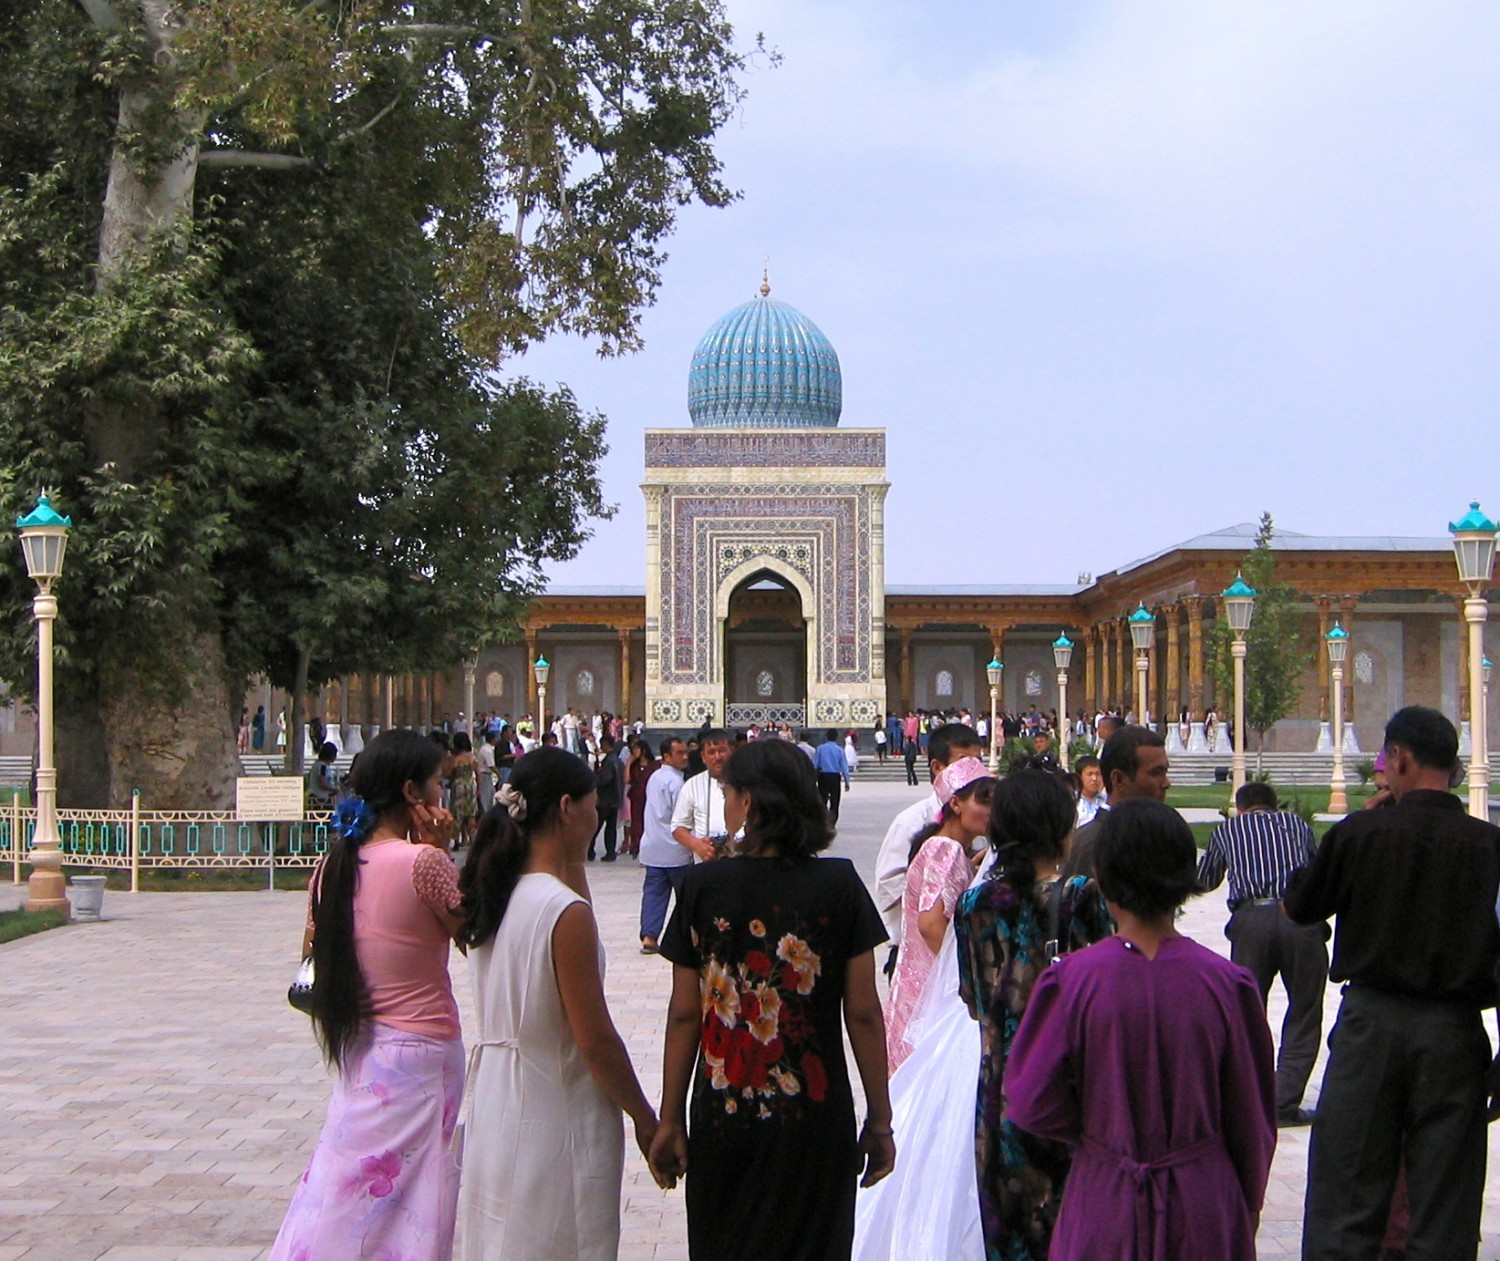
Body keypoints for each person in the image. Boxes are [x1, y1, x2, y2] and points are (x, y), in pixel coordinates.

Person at [650, 738, 894, 1259]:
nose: (728, 801)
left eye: (731, 792)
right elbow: (865, 1014)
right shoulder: (839, 884)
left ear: (751, 803)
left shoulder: (703, 887)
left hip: (724, 1112)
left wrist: (670, 1120)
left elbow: (684, 1014)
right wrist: (879, 1120)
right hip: (813, 1113)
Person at [1005, 799, 1277, 1260]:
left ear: (1103, 877)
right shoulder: (1228, 985)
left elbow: (1030, 1100)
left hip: (1105, 1194)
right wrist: (1244, 1205)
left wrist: (1097, 1131)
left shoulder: (1070, 981)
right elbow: (1252, 1119)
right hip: (1203, 1199)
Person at [1284, 706, 1500, 1260]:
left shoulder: (1364, 834)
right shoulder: (1489, 846)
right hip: (1454, 1035)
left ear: (1399, 759)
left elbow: (1304, 905)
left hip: (1371, 1027)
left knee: (1347, 1196)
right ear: (1453, 768)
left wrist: (1362, 824)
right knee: (1444, 1206)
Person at [455, 747, 660, 1260]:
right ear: (568, 807)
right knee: (560, 1237)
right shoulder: (558, 911)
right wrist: (643, 1115)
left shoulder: (496, 893)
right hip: (555, 1098)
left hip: (499, 1095)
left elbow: (572, 904)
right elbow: (594, 1039)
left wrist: (571, 857)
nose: (599, 814)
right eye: (593, 804)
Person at [269, 731, 464, 1261]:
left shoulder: (333, 865)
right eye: (436, 784)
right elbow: (470, 932)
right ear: (411, 791)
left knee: (348, 1181)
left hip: (363, 1043)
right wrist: (443, 850)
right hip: (421, 1047)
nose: (442, 794)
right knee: (416, 1195)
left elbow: (313, 947)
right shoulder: (422, 864)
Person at [954, 769, 1114, 1261]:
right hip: (1069, 1089)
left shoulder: (974, 903)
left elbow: (973, 998)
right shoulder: (1079, 897)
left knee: (1009, 1233)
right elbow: (1107, 991)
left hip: (1001, 1086)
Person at [1196, 779, 1326, 1126]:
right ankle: (1284, 1101)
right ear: (1275, 804)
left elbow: (1206, 880)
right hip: (1299, 919)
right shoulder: (1297, 825)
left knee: (1249, 1011)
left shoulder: (1229, 829)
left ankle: (1249, 1099)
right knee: (1305, 1010)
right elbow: (1314, 872)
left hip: (1251, 920)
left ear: (1240, 807)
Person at [885, 756, 994, 1072]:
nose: (990, 811)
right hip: (928, 994)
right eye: (982, 801)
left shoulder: (949, 850)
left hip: (917, 990)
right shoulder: (944, 849)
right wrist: (969, 976)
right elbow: (931, 924)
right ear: (956, 804)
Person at [875, 723, 984, 949]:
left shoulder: (983, 822)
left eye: (978, 762)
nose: (974, 772)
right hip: (919, 950)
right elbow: (888, 883)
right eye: (964, 761)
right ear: (937, 767)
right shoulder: (911, 822)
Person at [1060, 725, 1168, 881]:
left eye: (1165, 772)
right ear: (1118, 779)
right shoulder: (1090, 844)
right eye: (1155, 773)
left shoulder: (1165, 834)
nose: (1166, 783)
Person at [639, 737, 691, 954]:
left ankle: (649, 936)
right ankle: (687, 937)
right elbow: (683, 817)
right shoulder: (677, 783)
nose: (685, 756)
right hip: (675, 849)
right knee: (686, 897)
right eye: (679, 753)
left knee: (654, 893)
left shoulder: (654, 777)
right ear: (667, 757)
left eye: (685, 752)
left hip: (653, 846)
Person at [672, 727, 731, 858]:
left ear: (731, 752)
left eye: (722, 751)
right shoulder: (692, 785)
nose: (717, 757)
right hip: (706, 863)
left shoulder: (747, 781)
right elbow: (678, 827)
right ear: (703, 757)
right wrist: (697, 845)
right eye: (711, 752)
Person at [590, 733, 623, 861]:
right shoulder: (617, 760)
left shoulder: (609, 761)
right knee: (611, 827)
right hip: (615, 799)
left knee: (596, 826)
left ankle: (590, 850)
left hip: (605, 799)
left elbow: (605, 779)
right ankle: (610, 851)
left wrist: (597, 781)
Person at [448, 731, 480, 849]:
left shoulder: (456, 759)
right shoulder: (472, 757)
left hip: (459, 785)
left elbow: (451, 773)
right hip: (471, 785)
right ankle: (472, 839)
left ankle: (457, 841)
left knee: (457, 815)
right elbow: (478, 772)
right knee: (471, 814)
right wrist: (479, 788)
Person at [814, 727, 852, 822]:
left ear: (826, 737)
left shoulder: (820, 749)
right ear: (836, 737)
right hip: (835, 777)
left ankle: (822, 819)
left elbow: (815, 764)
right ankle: (832, 821)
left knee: (822, 800)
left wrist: (813, 778)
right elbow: (844, 767)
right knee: (835, 801)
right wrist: (847, 781)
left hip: (823, 776)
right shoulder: (839, 750)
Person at [1073, 755, 1106, 827]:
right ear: (1079, 777)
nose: (1094, 778)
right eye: (1090, 774)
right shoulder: (1072, 802)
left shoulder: (1107, 802)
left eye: (1098, 774)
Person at [306, 740, 339, 809]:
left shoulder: (316, 765)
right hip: (321, 800)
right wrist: (334, 789)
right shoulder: (322, 767)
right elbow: (322, 783)